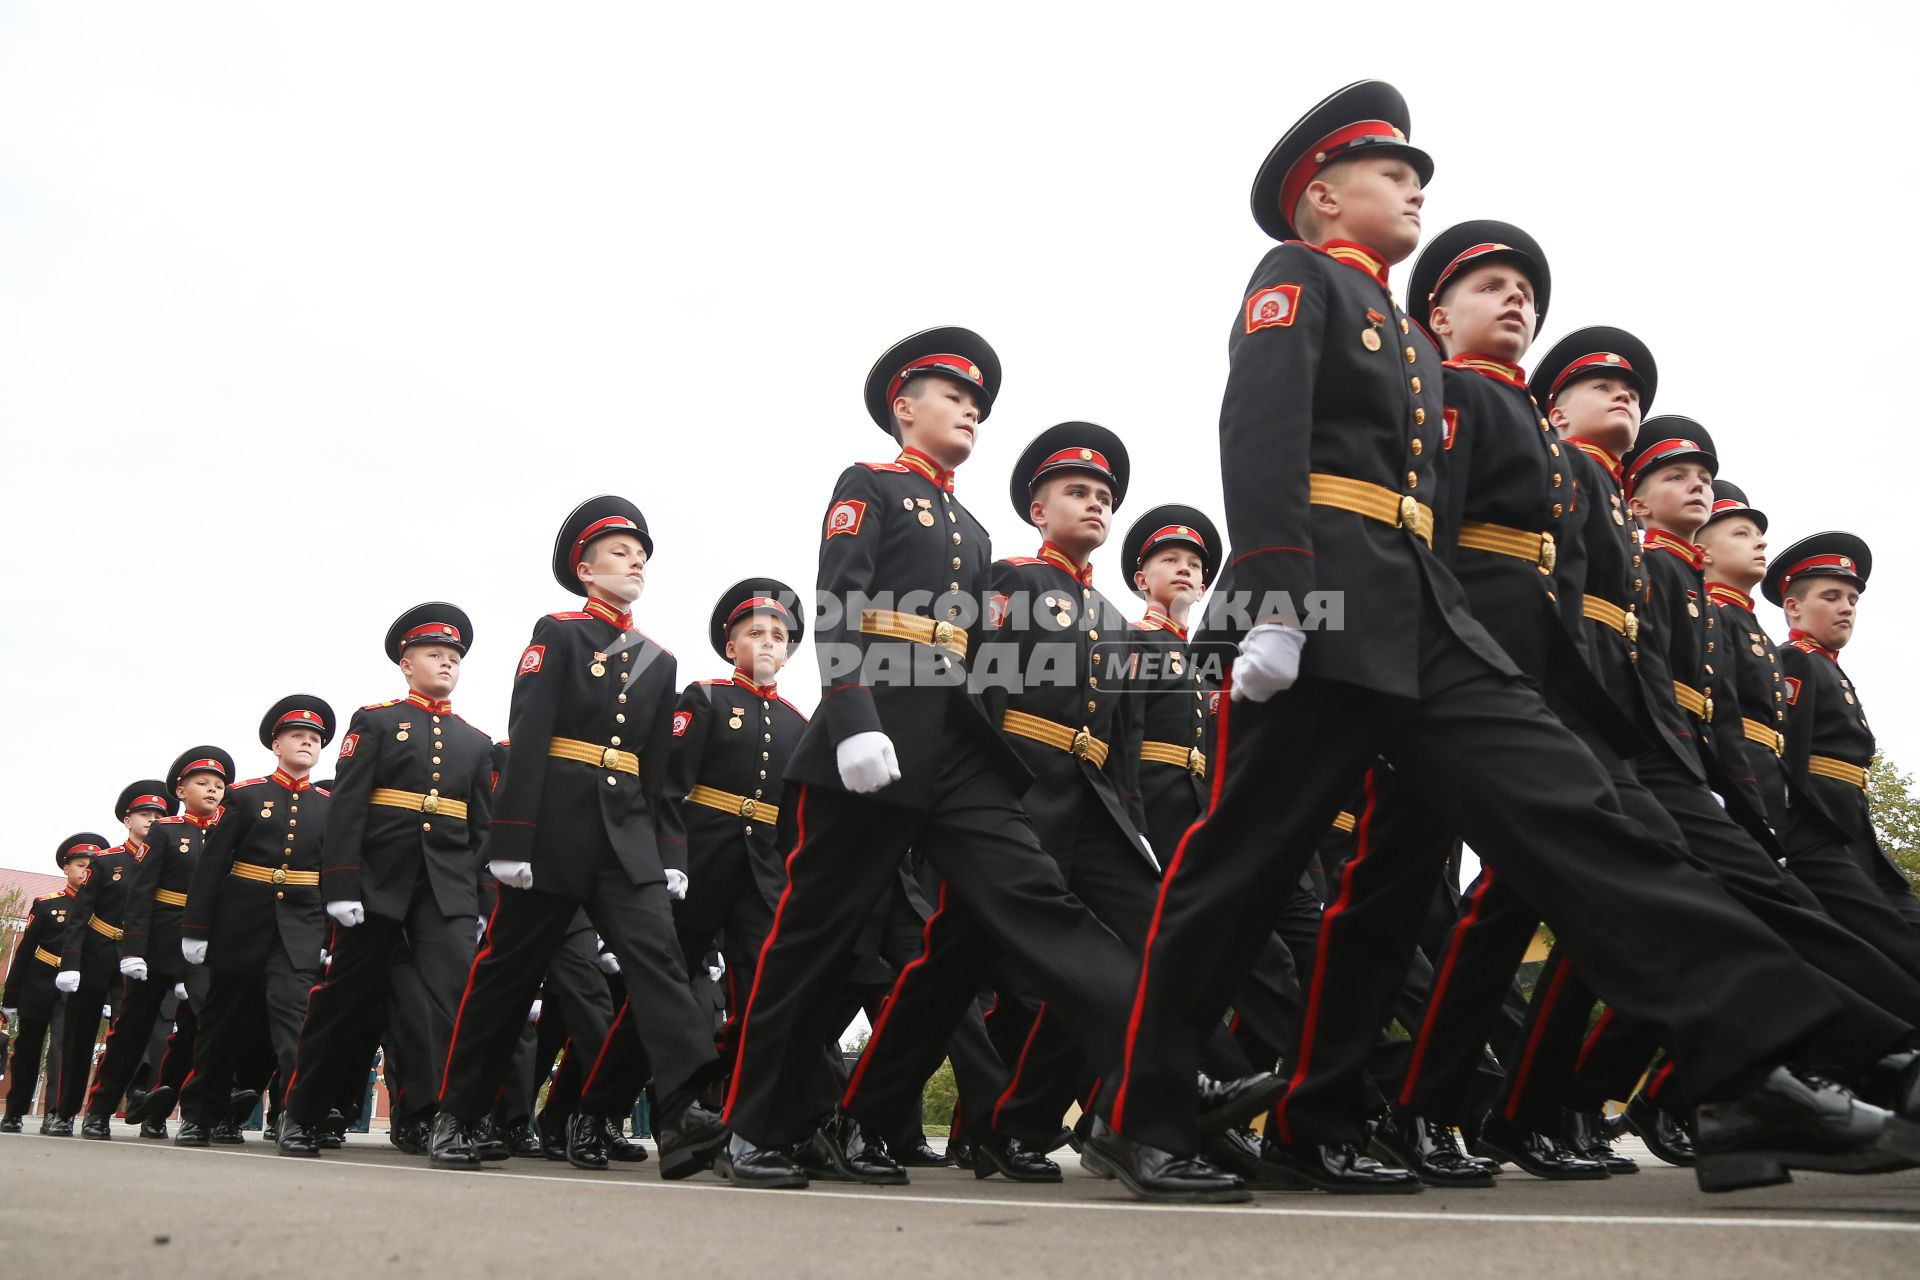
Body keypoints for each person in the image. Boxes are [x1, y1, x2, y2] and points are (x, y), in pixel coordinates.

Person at [1087, 78, 1920, 1202]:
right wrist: (1276, 592)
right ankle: (1144, 1112)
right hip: (1328, 612)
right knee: (1240, 868)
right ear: (1322, 197)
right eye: (1394, 174)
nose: (1415, 187)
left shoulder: (1411, 343)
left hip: (1430, 618)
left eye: (1418, 174)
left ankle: (1750, 1064)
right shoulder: (1297, 281)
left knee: (1578, 814)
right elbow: (1261, 424)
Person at [720, 329, 1220, 1190]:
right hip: (869, 744)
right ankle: (756, 1128)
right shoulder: (868, 487)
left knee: (1043, 905)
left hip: (955, 753)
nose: (970, 410)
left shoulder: (975, 527)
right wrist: (852, 717)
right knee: (817, 941)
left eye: (977, 401)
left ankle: (1164, 1086)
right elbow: (840, 603)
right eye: (952, 395)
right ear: (903, 408)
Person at [431, 496, 726, 1177]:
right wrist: (510, 838)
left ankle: (684, 1113)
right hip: (552, 833)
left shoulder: (660, 658)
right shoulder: (559, 633)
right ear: (585, 569)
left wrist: (669, 851)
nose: (636, 563)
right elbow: (529, 737)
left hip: (627, 837)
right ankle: (459, 1114)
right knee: (506, 975)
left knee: (659, 965)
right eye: (621, 553)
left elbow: (660, 771)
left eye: (642, 556)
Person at [278, 604, 494, 1155]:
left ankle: (454, 1120)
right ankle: (300, 1112)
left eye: (454, 657)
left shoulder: (475, 741)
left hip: (444, 890)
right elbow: (347, 809)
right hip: (376, 885)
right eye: (434, 654)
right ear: (406, 663)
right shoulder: (375, 721)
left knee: (453, 1003)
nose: (446, 663)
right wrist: (342, 885)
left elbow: (480, 830)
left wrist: (478, 900)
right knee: (343, 1002)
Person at [177, 695, 334, 1145]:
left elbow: (332, 874)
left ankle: (299, 1118)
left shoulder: (327, 805)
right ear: (276, 743)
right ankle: (201, 1115)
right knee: (223, 1024)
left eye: (314, 739)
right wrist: (195, 929)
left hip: (299, 927)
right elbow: (212, 865)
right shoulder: (244, 797)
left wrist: (326, 935)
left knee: (296, 1023)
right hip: (241, 923)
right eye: (297, 736)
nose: (306, 743)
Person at [1769, 533, 1920, 932]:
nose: (1846, 609)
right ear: (1794, 606)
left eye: (1852, 601)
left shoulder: (1829, 667)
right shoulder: (1795, 661)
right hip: (1821, 825)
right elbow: (1788, 755)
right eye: (1831, 597)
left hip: (1852, 824)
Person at [91, 747, 234, 1139]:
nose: (212, 790)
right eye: (202, 783)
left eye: (219, 785)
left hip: (205, 946)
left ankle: (180, 1112)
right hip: (160, 939)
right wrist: (134, 949)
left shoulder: (229, 834)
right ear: (181, 790)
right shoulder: (167, 831)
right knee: (133, 1028)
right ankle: (100, 1109)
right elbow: (140, 892)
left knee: (202, 1026)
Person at [56, 780, 175, 1135]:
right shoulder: (107, 862)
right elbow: (79, 916)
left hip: (140, 959)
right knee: (78, 1038)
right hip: (98, 954)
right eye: (144, 814)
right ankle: (63, 1111)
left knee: (138, 1036)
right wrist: (70, 963)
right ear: (128, 819)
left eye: (159, 814)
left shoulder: (171, 862)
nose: (152, 819)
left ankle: (139, 1102)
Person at [2, 836, 99, 1133]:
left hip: (73, 988)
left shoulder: (101, 911)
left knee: (62, 1049)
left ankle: (56, 1114)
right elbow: (24, 950)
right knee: (28, 1048)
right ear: (66, 867)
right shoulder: (46, 905)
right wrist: (12, 996)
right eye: (80, 865)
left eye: (91, 868)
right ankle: (15, 1111)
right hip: (39, 981)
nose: (85, 872)